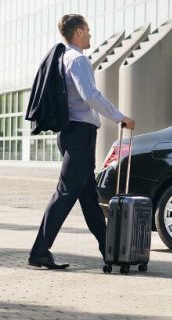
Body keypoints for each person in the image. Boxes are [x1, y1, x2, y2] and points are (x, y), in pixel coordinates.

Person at [28, 14, 135, 269]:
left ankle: (111, 251)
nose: (90, 35)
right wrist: (120, 117)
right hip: (79, 135)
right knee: (64, 193)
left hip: (74, 134)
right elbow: (90, 95)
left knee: (88, 197)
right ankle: (39, 251)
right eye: (87, 30)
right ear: (77, 32)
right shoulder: (77, 59)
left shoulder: (64, 58)